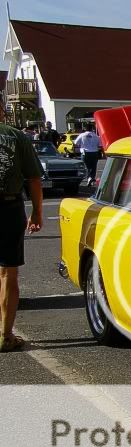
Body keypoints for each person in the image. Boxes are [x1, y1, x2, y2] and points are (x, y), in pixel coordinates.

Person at [0, 102, 43, 352]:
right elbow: (34, 178)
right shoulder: (17, 138)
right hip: (8, 207)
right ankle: (5, 335)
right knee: (8, 272)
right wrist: (37, 212)